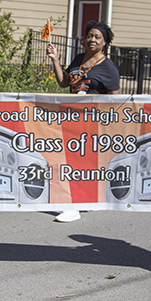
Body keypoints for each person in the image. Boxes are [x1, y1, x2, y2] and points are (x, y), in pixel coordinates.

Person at [47, 21, 120, 222]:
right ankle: (87, 200)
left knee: (79, 162)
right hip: (71, 118)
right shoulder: (78, 59)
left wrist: (108, 123)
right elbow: (64, 83)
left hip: (93, 123)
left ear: (104, 42)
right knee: (75, 160)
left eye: (97, 37)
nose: (92, 40)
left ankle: (73, 207)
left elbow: (115, 99)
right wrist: (55, 60)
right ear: (83, 39)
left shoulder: (108, 67)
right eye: (90, 36)